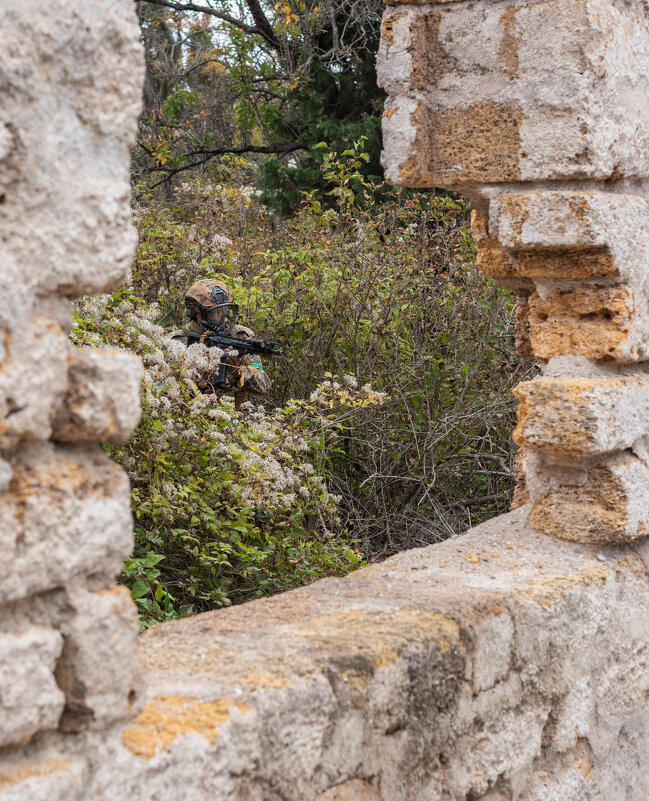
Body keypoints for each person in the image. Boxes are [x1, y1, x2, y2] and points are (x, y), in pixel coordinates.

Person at [171, 279, 271, 403]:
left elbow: (264, 386)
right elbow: (168, 388)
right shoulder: (178, 342)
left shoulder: (241, 337)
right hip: (193, 416)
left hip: (238, 417)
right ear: (197, 312)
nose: (223, 317)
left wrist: (239, 372)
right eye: (216, 312)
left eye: (225, 310)